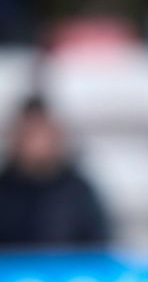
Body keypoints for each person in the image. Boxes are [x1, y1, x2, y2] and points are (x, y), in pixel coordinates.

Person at [0, 97, 109, 248]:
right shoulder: (4, 191)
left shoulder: (79, 192)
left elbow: (99, 248)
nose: (37, 144)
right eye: (29, 134)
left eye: (42, 133)